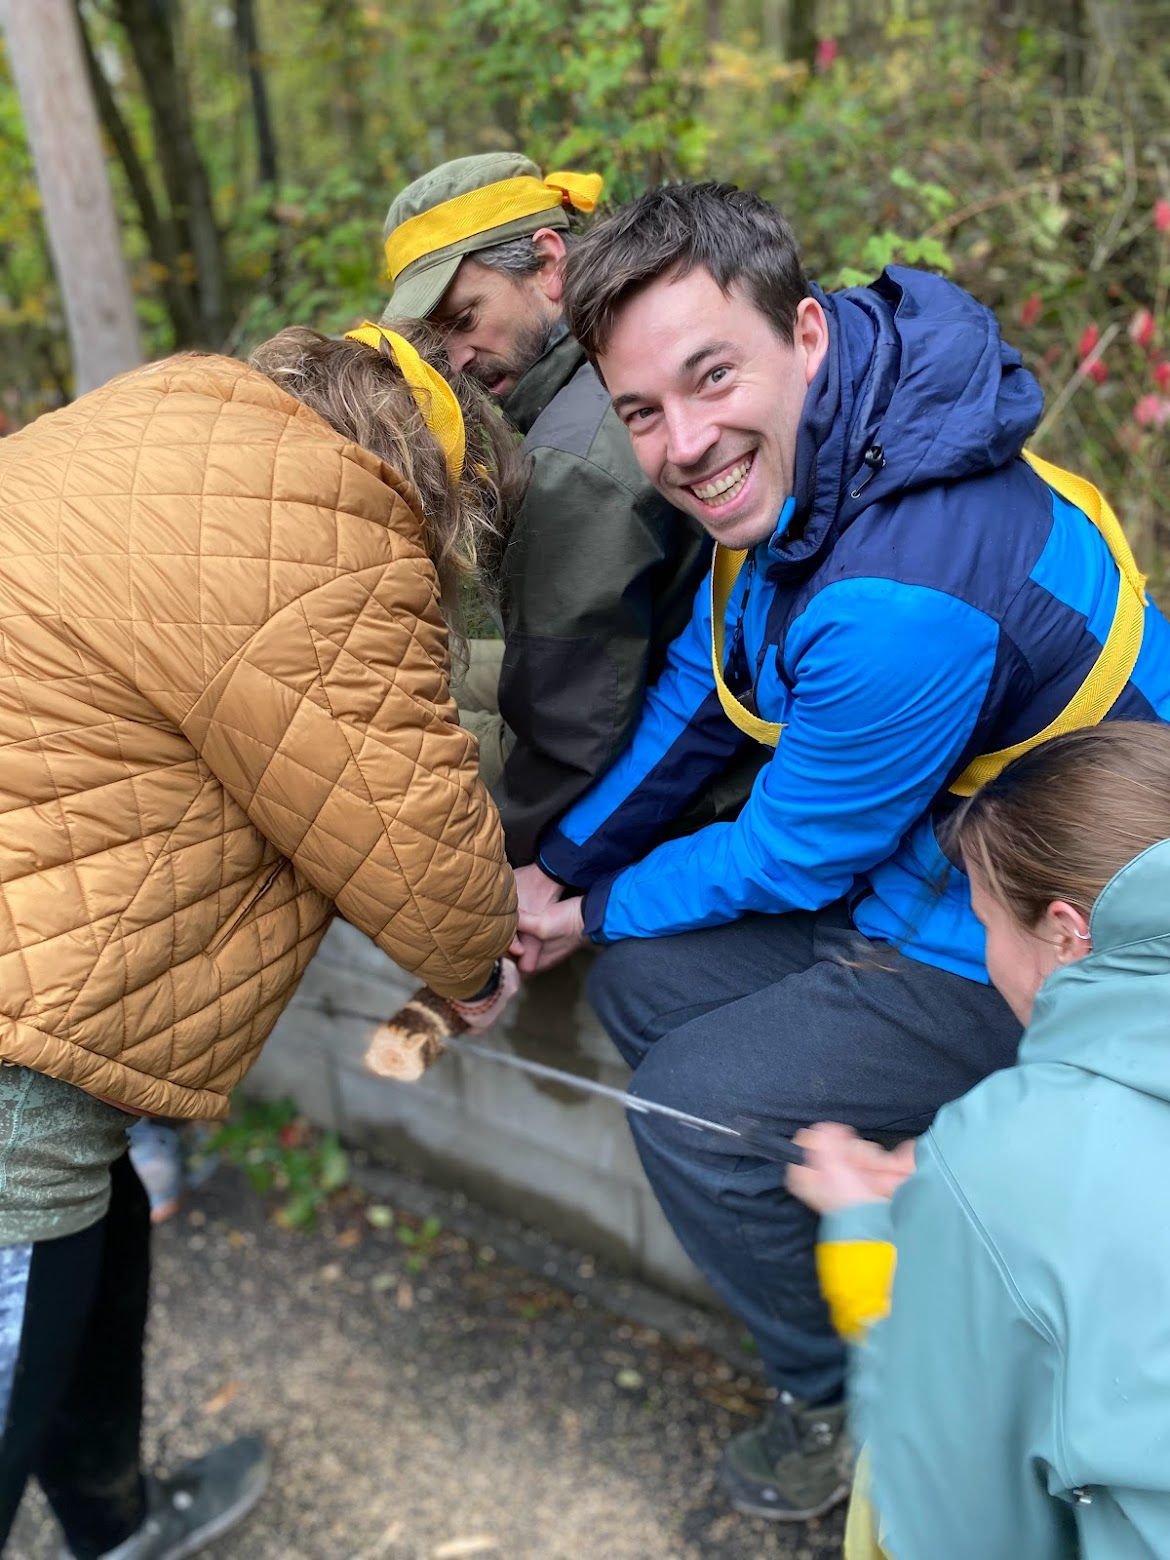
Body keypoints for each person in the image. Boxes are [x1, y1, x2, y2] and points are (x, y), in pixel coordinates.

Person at [513, 181, 1170, 1519]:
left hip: (1055, 929)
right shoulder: (829, 449)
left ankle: (846, 1401)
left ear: (804, 332)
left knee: (690, 1111)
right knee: (644, 994)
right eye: (641, 410)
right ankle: (874, 1210)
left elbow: (793, 855)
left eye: (711, 378)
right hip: (939, 863)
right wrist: (558, 866)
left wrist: (589, 909)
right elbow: (708, 684)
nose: (684, 444)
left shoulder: (896, 596)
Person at [0, 322, 522, 1559]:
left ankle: (116, 1526)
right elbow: (417, 844)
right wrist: (479, 965)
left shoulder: (136, 428)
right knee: (42, 1248)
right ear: (437, 484)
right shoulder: (326, 524)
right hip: (13, 1061)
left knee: (98, 1237)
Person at [791, 721, 1170, 1559]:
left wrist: (873, 1232)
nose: (990, 955)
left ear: (1067, 932)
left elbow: (948, 1525)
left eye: (986, 922)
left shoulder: (1011, 1155)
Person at [379, 153, 739, 866]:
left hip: (692, 789)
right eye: (434, 338)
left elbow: (571, 745)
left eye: (464, 319)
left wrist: (506, 861)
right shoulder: (639, 343)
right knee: (420, 671)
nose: (453, 360)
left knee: (371, 755)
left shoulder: (574, 461)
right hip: (677, 689)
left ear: (549, 264)